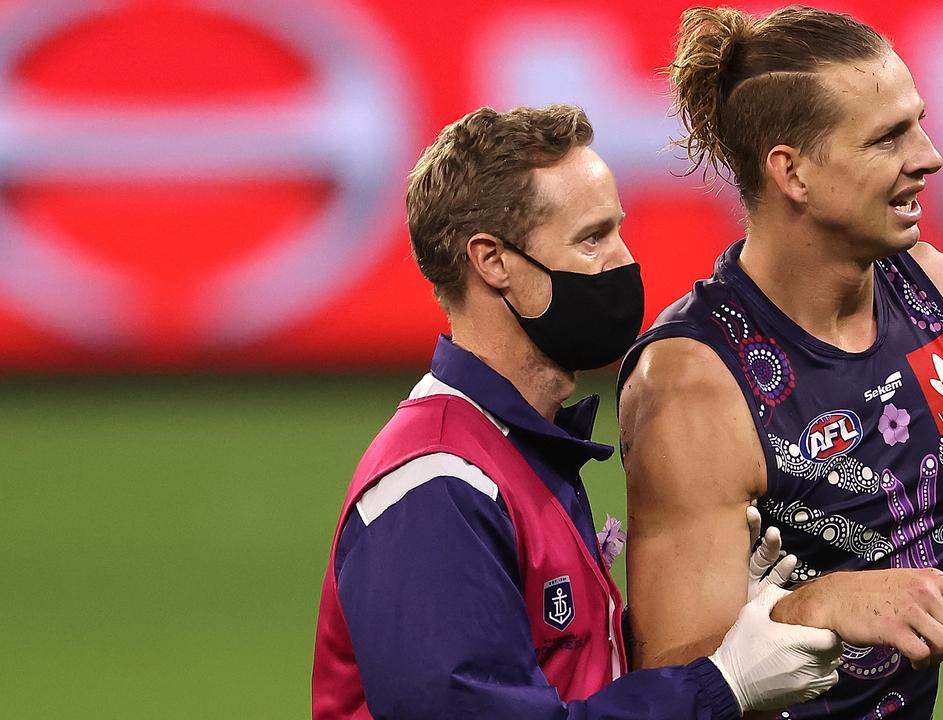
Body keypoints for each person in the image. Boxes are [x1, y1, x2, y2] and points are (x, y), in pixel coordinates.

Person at [617, 6, 943, 719]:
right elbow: (674, 688)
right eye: (887, 139)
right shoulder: (697, 387)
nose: (929, 155)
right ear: (793, 172)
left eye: (917, 121)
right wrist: (820, 605)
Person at [311, 104, 844, 720]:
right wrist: (723, 684)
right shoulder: (437, 488)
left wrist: (719, 635)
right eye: (592, 239)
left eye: (619, 230)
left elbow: (569, 687)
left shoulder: (516, 455)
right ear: (493, 262)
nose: (623, 261)